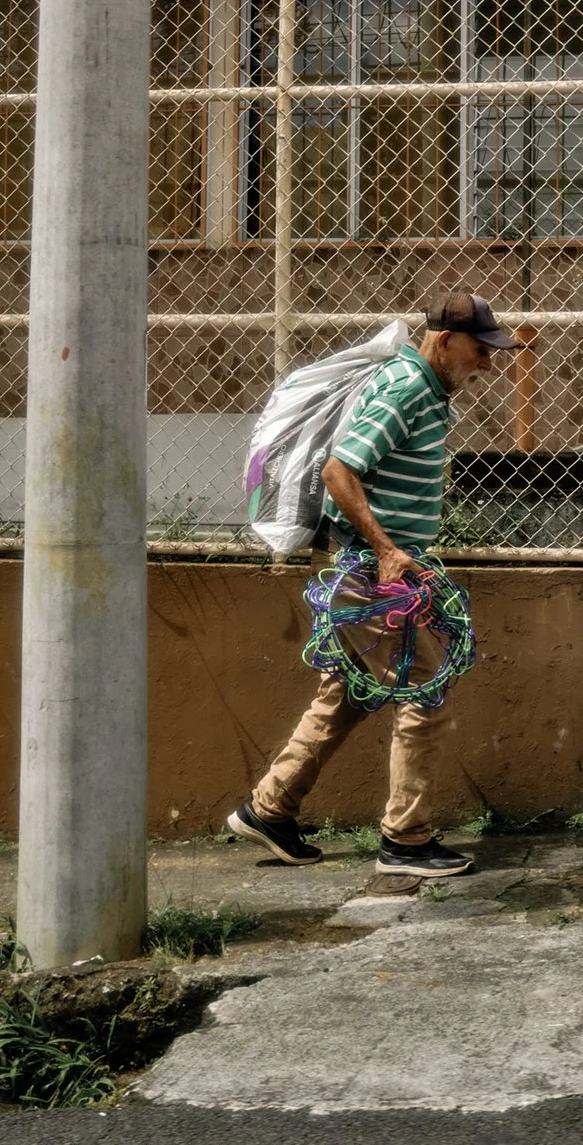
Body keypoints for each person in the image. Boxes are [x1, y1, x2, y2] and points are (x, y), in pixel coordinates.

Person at [227, 291, 522, 879]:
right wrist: (387, 551)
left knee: (346, 695)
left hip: (374, 569)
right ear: (443, 340)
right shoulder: (408, 388)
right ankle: (405, 841)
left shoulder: (426, 389)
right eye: (480, 350)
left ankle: (270, 808)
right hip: (375, 574)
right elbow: (339, 469)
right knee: (425, 694)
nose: (488, 364)